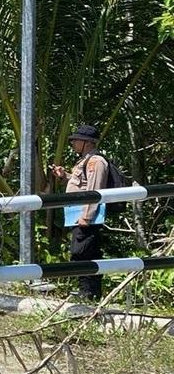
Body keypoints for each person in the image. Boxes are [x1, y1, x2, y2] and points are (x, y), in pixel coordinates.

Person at [50, 124, 109, 300]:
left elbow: (94, 190)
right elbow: (81, 184)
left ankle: (89, 292)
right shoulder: (85, 161)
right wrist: (64, 176)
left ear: (87, 142)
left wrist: (87, 216)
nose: (73, 143)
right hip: (77, 215)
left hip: (85, 217)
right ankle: (86, 290)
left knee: (84, 251)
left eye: (76, 140)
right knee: (82, 251)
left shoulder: (95, 162)